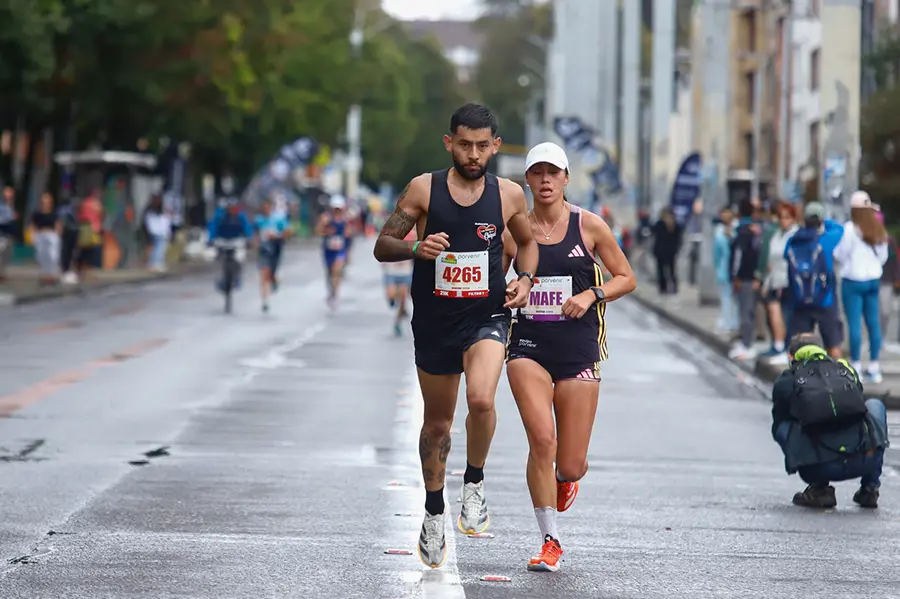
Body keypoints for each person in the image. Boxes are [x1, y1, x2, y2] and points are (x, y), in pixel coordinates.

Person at [373, 103, 538, 569]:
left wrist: (524, 280)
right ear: (450, 143)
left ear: (496, 146)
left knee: (482, 400)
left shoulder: (508, 194)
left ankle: (475, 483)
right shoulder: (423, 189)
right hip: (435, 322)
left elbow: (526, 242)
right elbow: (382, 245)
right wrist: (415, 247)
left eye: (482, 145)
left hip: (486, 315)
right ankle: (432, 511)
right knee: (438, 424)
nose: (473, 154)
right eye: (464, 144)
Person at [501, 142, 636, 572]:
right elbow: (491, 276)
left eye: (552, 173)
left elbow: (626, 278)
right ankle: (550, 539)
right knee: (542, 439)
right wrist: (508, 290)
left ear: (565, 178)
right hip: (528, 346)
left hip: (578, 348)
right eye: (537, 173)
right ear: (527, 179)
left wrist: (591, 294)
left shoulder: (589, 226)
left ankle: (563, 481)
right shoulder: (514, 231)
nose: (545, 181)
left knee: (572, 463)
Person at [772, 332, 889, 508]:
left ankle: (820, 488)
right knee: (874, 405)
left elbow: (779, 424)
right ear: (823, 351)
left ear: (791, 357)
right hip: (865, 460)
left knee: (783, 425)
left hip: (819, 466)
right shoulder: (845, 369)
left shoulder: (787, 380)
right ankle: (870, 488)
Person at [833, 191, 889, 383]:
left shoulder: (849, 229)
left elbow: (840, 254)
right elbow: (883, 256)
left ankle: (856, 364)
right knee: (873, 324)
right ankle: (874, 366)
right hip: (873, 280)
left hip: (853, 280)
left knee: (855, 324)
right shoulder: (878, 228)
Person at [783, 201, 844, 359]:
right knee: (833, 344)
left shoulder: (794, 240)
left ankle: (803, 378)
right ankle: (838, 378)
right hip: (825, 298)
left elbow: (785, 256)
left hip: (800, 300)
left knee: (800, 346)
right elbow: (840, 229)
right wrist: (825, 220)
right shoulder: (827, 239)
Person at [207, 198, 255, 291]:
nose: (232, 210)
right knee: (215, 257)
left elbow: (247, 227)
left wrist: (249, 239)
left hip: (236, 239)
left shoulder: (240, 216)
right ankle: (220, 278)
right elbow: (213, 226)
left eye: (234, 208)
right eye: (230, 208)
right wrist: (210, 239)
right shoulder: (220, 215)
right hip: (222, 239)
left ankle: (237, 278)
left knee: (240, 259)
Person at [315, 194, 351, 311]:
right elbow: (318, 231)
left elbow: (349, 234)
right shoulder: (326, 218)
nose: (337, 211)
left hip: (340, 250)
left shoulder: (345, 219)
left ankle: (335, 294)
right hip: (328, 250)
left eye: (339, 208)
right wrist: (327, 230)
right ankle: (331, 292)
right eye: (335, 208)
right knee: (330, 272)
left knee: (337, 271)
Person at [254, 198, 289, 312]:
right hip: (264, 250)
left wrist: (277, 235)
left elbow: (287, 231)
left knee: (271, 273)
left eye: (268, 207)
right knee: (264, 274)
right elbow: (255, 233)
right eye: (264, 207)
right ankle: (265, 301)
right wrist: (255, 242)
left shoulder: (278, 219)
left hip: (275, 249)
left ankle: (274, 279)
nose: (266, 209)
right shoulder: (259, 220)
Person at [382, 228, 417, 337]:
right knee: (391, 296)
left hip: (405, 273)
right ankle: (393, 300)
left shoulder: (413, 235)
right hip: (391, 272)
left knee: (402, 300)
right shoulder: (390, 233)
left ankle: (397, 323)